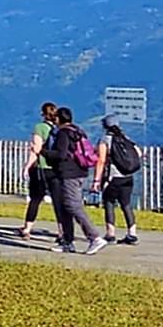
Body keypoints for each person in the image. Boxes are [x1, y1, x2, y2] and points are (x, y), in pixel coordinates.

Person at [47, 105, 108, 254]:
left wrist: (42, 152)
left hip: (69, 173)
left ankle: (94, 237)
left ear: (58, 119)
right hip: (80, 171)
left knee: (73, 205)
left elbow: (60, 154)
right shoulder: (78, 131)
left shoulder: (63, 133)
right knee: (65, 206)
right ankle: (68, 242)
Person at [16, 101, 58, 239]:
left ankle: (27, 228)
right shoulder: (60, 128)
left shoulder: (40, 128)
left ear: (43, 114)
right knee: (58, 202)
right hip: (56, 169)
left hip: (41, 168)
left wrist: (27, 166)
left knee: (35, 199)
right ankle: (62, 230)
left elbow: (36, 149)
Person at [98, 119, 143, 244]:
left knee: (109, 203)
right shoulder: (125, 138)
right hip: (128, 176)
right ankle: (132, 233)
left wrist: (97, 180)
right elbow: (138, 153)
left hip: (113, 177)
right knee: (126, 204)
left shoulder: (105, 140)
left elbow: (101, 160)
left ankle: (110, 234)